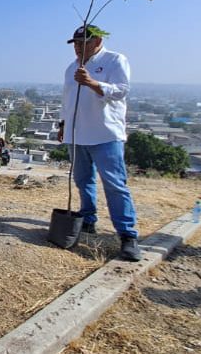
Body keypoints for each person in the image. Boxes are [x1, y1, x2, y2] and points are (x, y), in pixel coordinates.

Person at [58, 24, 142, 262]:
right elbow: (67, 99)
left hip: (105, 134)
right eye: (75, 43)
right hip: (78, 135)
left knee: (115, 184)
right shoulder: (71, 68)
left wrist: (93, 83)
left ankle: (127, 235)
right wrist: (63, 124)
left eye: (82, 43)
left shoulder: (115, 61)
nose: (77, 47)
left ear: (97, 42)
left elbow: (122, 91)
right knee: (83, 180)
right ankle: (87, 219)